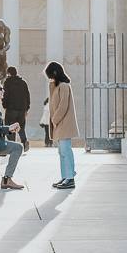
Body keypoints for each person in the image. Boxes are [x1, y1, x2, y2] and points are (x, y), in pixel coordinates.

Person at [45, 61, 79, 189]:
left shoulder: (64, 86)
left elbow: (63, 105)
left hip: (62, 123)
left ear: (54, 72)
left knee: (66, 151)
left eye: (50, 75)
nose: (50, 78)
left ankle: (70, 178)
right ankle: (65, 177)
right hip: (59, 123)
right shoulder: (57, 86)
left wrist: (54, 120)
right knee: (62, 152)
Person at [2, 66, 31, 152]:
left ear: (8, 73)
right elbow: (27, 96)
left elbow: (5, 95)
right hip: (21, 109)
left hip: (11, 108)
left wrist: (5, 106)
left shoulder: (7, 82)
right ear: (16, 73)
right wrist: (26, 108)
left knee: (10, 126)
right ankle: (25, 141)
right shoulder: (23, 83)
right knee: (21, 126)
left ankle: (12, 144)